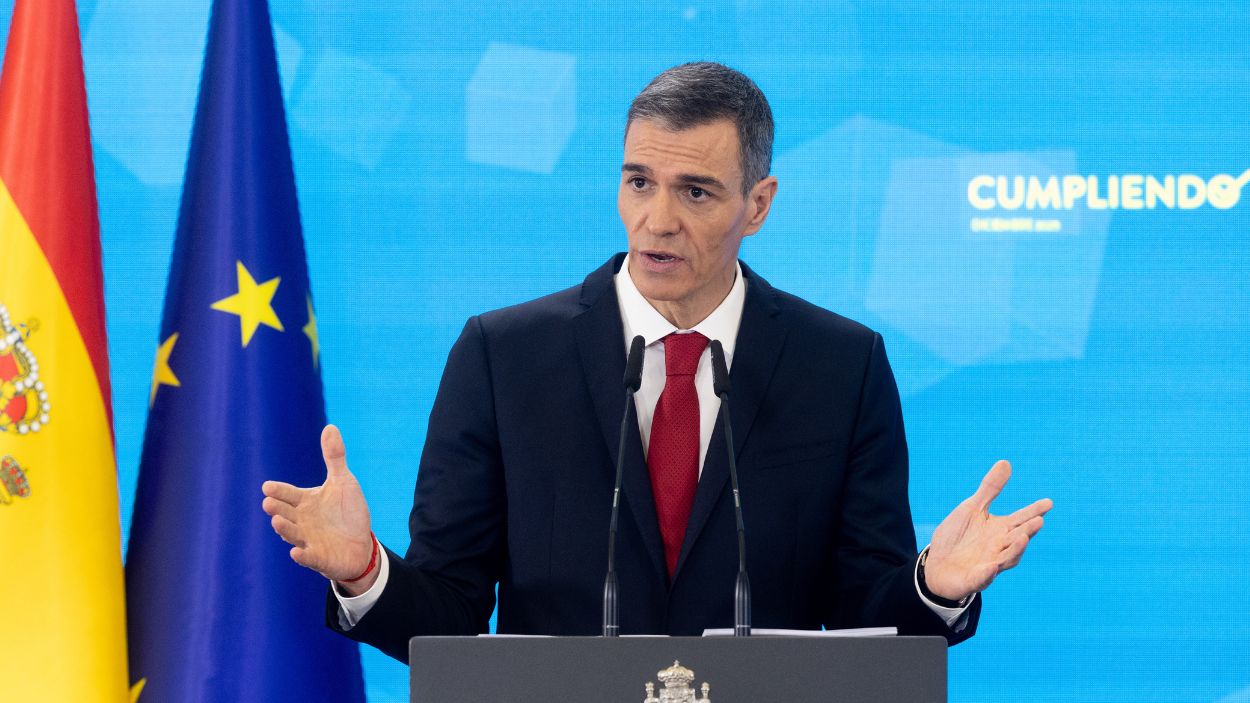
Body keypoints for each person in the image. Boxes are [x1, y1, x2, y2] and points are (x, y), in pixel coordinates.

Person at [261, 62, 1052, 663]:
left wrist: (934, 588)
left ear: (759, 204)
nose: (657, 220)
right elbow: (451, 617)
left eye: (697, 192)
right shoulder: (503, 357)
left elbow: (863, 627)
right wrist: (366, 570)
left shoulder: (840, 367)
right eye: (640, 181)